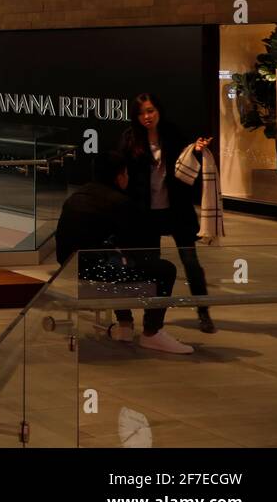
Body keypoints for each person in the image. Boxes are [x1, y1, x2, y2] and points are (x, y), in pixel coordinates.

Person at [55, 152, 192, 354]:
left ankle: (125, 325)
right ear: (119, 176)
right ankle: (152, 332)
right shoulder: (118, 203)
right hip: (95, 273)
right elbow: (135, 247)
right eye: (126, 173)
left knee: (119, 260)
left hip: (70, 269)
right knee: (164, 270)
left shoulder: (77, 197)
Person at [118, 93, 216, 334]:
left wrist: (197, 149)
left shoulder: (172, 134)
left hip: (176, 210)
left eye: (150, 111)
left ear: (158, 110)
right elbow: (121, 171)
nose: (147, 117)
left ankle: (203, 311)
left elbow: (187, 160)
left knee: (191, 262)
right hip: (146, 213)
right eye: (141, 113)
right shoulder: (130, 138)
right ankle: (153, 318)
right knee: (152, 266)